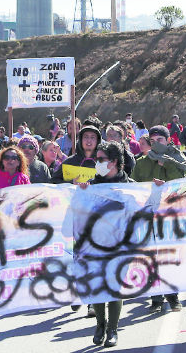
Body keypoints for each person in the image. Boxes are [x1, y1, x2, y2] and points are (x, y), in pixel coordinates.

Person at [78, 142, 132, 347]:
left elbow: (143, 210)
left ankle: (112, 330)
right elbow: (79, 213)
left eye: (101, 159)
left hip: (120, 245)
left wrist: (156, 190)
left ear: (114, 162)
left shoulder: (130, 185)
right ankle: (100, 325)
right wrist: (82, 194)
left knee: (114, 287)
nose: (97, 163)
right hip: (95, 243)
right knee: (98, 286)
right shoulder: (91, 185)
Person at [132, 126, 186, 312]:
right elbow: (134, 188)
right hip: (148, 216)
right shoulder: (141, 163)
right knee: (151, 258)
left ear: (168, 140)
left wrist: (168, 166)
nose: (157, 145)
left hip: (169, 216)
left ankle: (173, 296)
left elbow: (182, 182)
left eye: (160, 141)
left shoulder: (177, 159)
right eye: (153, 141)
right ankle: (156, 298)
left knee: (168, 257)